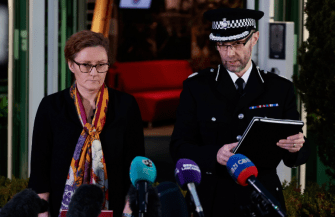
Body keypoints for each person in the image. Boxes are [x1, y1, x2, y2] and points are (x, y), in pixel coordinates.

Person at [170, 8, 310, 217]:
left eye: (237, 44)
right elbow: (179, 148)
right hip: (214, 200)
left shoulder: (279, 89)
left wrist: (296, 146)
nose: (229, 54)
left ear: (255, 38)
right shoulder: (197, 88)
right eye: (222, 45)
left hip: (263, 200)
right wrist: (214, 154)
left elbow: (298, 153)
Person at [28, 30, 145, 217]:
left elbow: (137, 165)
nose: (94, 72)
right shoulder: (51, 107)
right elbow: (40, 170)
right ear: (71, 65)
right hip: (62, 207)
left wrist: (129, 208)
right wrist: (42, 214)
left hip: (114, 207)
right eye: (86, 65)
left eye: (101, 65)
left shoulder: (126, 105)